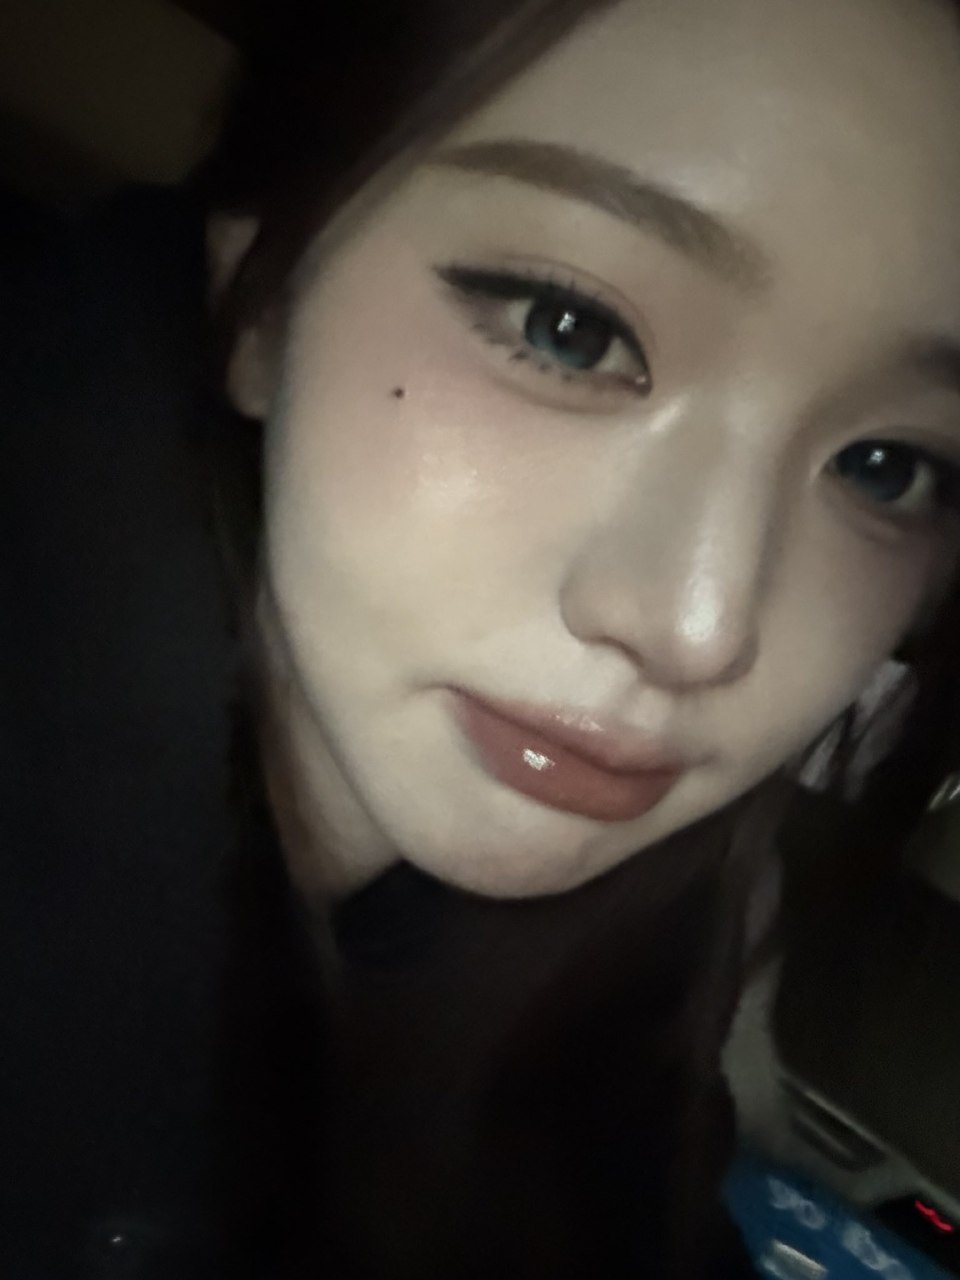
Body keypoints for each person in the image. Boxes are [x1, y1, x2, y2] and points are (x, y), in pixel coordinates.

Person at [196, 0, 960, 1274]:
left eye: (886, 465)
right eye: (570, 329)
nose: (700, 628)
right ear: (264, 300)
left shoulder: (683, 934)